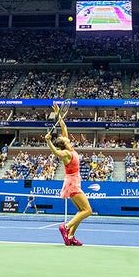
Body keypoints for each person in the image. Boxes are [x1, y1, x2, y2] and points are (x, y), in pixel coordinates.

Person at [45, 103, 93, 246]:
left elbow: (64, 127)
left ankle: (71, 236)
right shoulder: (65, 153)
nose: (66, 137)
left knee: (81, 210)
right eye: (64, 138)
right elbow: (56, 152)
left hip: (74, 181)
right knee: (88, 210)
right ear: (63, 143)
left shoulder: (68, 147)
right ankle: (65, 227)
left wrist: (59, 114)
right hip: (72, 183)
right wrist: (48, 142)